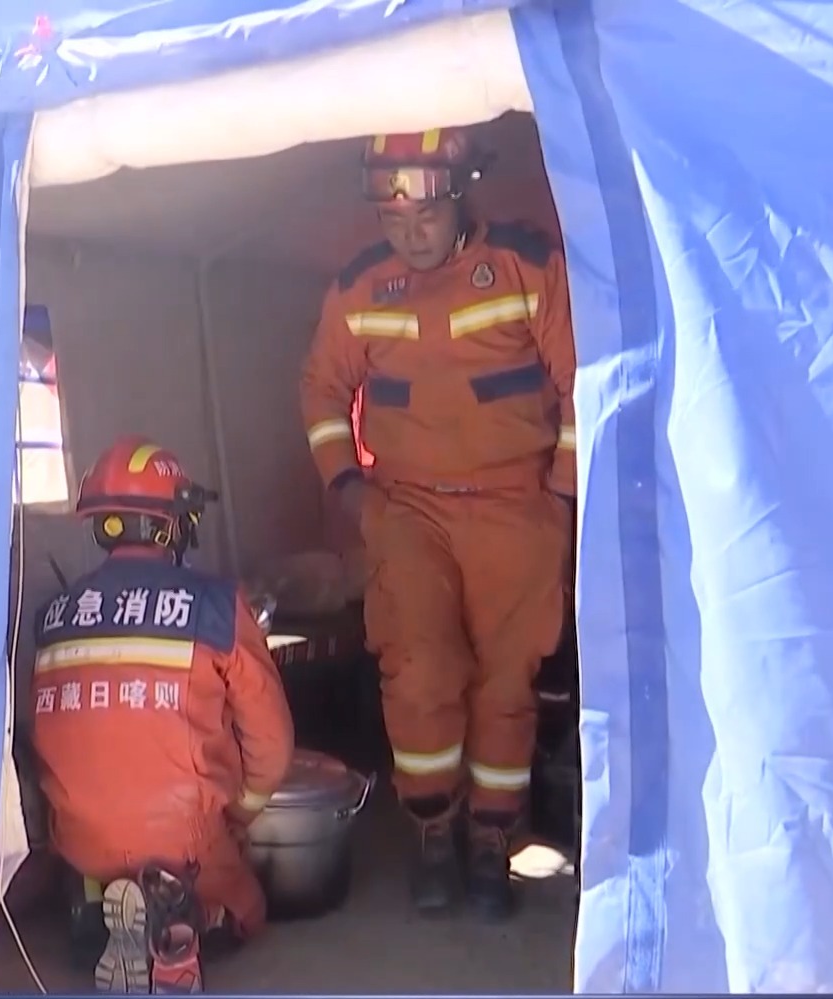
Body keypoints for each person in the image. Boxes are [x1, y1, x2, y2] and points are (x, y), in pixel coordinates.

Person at [298, 127, 577, 922]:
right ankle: (433, 832)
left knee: (506, 680)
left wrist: (560, 496)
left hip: (515, 508)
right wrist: (347, 486)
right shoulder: (359, 288)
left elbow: (583, 383)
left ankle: (491, 841)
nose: (409, 234)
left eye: (423, 216)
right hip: (409, 509)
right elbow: (321, 389)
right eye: (391, 219)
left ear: (459, 196)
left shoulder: (528, 266)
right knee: (419, 673)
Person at [29, 435, 294, 994]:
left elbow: (48, 739)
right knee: (248, 912)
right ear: (172, 526)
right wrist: (241, 811)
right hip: (184, 838)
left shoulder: (53, 616)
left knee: (96, 859)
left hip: (78, 836)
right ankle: (178, 930)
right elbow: (271, 742)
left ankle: (97, 913)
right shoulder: (217, 606)